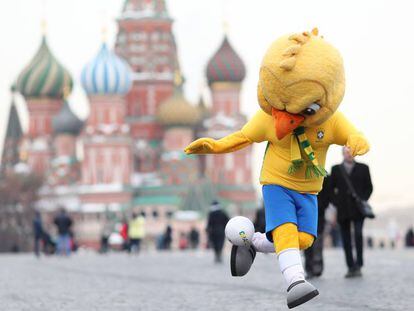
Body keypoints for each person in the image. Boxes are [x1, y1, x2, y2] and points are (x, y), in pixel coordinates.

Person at [185, 29, 370, 308]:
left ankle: (254, 244)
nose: (284, 119)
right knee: (284, 230)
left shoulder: (330, 121)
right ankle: (295, 281)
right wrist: (214, 146)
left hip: (309, 189)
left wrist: (357, 142)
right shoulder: (267, 119)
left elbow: (352, 135)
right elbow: (243, 138)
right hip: (277, 184)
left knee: (304, 239)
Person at [331, 147, 373, 278]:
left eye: (351, 152)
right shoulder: (336, 169)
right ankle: (350, 267)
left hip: (358, 209)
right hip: (343, 210)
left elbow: (369, 187)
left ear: (354, 153)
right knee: (346, 239)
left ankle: (359, 265)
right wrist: (337, 202)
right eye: (346, 152)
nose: (349, 154)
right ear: (342, 153)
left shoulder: (363, 168)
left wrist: (363, 199)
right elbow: (330, 189)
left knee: (359, 235)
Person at [304, 176, 330, 278]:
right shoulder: (302, 175)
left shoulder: (325, 177)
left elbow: (328, 195)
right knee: (306, 242)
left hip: (319, 214)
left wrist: (321, 206)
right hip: (305, 213)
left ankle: (317, 267)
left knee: (318, 243)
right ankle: (309, 268)